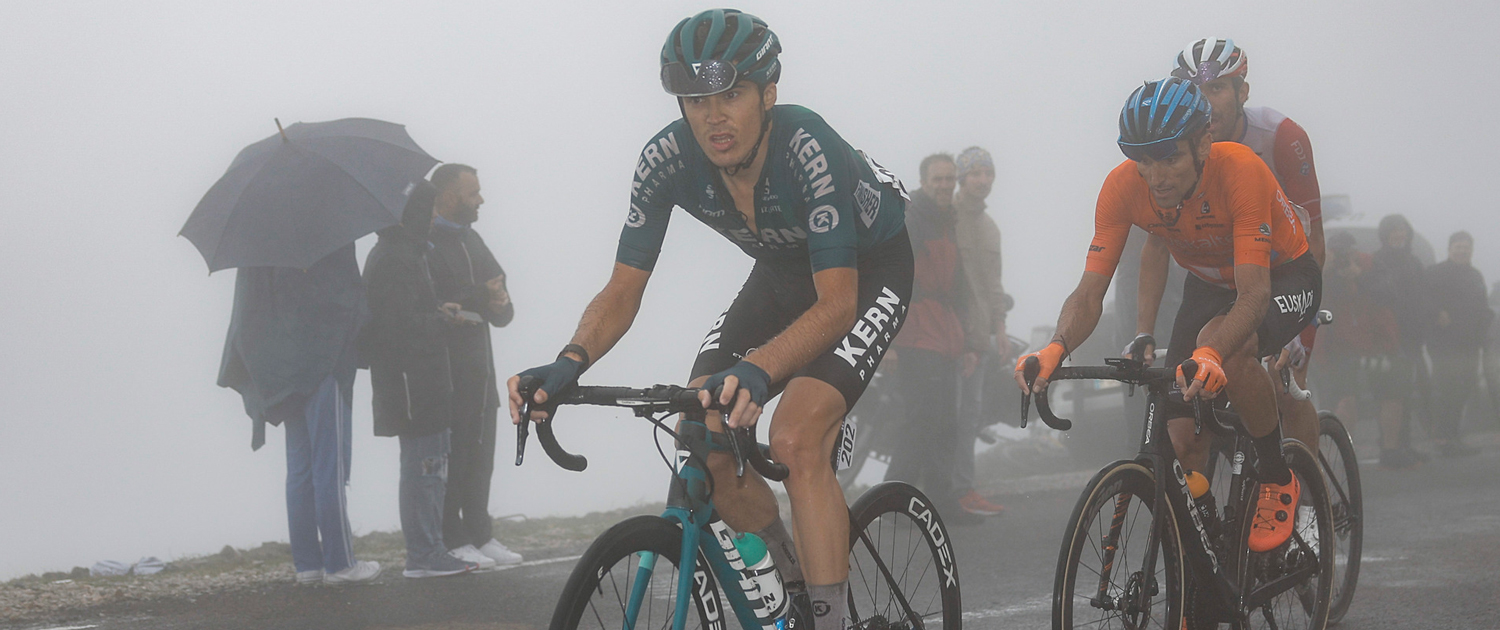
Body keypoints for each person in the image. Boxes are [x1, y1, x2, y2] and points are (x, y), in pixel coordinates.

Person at [507, 10, 913, 630]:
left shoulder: (808, 148)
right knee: (700, 430)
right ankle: (795, 582)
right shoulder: (666, 160)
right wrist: (570, 361)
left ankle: (832, 620)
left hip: (865, 272)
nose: (713, 117)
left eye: (731, 94)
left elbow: (836, 305)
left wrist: (760, 369)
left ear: (768, 94)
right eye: (695, 100)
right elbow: (623, 288)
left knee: (795, 438)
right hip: (779, 274)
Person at [1015, 78, 1319, 557]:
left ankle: (1277, 477)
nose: (1155, 176)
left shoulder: (1241, 169)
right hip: (1209, 284)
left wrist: (1213, 352)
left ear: (1203, 144)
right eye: (1143, 160)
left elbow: (1254, 294)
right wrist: (1056, 347)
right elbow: (1090, 293)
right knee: (1181, 440)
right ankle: (1207, 562)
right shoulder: (1122, 187)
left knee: (1227, 349)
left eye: (1169, 158)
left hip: (1282, 275)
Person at [1172, 37, 1324, 455]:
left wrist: (1300, 331)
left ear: (1243, 92)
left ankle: (1307, 489)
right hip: (1227, 277)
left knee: (1286, 386)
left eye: (1216, 88)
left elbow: (1314, 237)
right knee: (1195, 392)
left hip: (1285, 272)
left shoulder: (1281, 136)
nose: (1204, 102)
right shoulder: (1183, 145)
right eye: (1194, 90)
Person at [218, 243, 381, 585]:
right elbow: (347, 301)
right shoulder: (328, 236)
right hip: (323, 363)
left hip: (284, 371)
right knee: (329, 467)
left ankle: (307, 564)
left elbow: (249, 313)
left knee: (301, 469)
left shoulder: (260, 245)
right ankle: (340, 563)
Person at [360, 181, 479, 578]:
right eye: (428, 210)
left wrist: (436, 311)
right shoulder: (395, 257)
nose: (432, 218)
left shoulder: (405, 252)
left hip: (422, 379)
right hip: (413, 384)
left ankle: (429, 551)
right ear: (411, 212)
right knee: (423, 469)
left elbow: (406, 313)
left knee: (429, 467)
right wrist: (442, 321)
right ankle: (424, 554)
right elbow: (395, 327)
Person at [426, 163, 521, 569]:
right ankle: (453, 537)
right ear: (448, 196)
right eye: (472, 193)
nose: (480, 200)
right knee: (454, 458)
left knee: (481, 457)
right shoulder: (426, 242)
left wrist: (499, 301)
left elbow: (498, 294)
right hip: (446, 372)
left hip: (481, 373)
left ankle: (481, 535)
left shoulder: (472, 238)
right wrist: (479, 297)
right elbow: (434, 299)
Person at [884, 153, 981, 522]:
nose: (944, 185)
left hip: (942, 334)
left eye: (949, 179)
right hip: (915, 334)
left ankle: (941, 504)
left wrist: (967, 343)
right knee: (920, 422)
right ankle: (892, 506)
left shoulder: (945, 220)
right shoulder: (912, 220)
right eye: (937, 179)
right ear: (924, 182)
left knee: (944, 423)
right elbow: (893, 277)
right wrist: (889, 342)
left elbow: (957, 286)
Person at [950, 147, 1008, 517]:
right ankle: (948, 490)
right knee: (952, 415)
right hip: (953, 334)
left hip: (981, 335)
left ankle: (963, 489)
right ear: (962, 177)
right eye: (975, 173)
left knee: (970, 416)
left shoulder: (989, 227)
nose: (983, 180)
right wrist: (966, 340)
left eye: (988, 173)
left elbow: (993, 284)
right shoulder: (948, 217)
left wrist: (999, 329)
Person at [1365, 214, 1428, 469]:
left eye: (1402, 230)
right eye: (1393, 230)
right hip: (1388, 337)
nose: (1398, 235)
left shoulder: (1414, 261)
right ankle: (1390, 447)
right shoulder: (1377, 261)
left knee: (1407, 394)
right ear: (1385, 235)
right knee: (1390, 395)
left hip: (1412, 338)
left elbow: (1422, 297)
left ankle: (1404, 444)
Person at [1423, 231, 1492, 456]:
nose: (1462, 251)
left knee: (1463, 390)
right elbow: (1423, 299)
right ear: (1450, 249)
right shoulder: (1436, 272)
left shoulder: (1475, 275)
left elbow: (1483, 308)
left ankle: (1454, 436)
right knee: (1446, 391)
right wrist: (1437, 313)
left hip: (1470, 344)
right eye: (1458, 247)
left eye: (1466, 248)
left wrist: (1484, 333)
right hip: (1445, 344)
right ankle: (1442, 438)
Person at [1312, 231, 1376, 432]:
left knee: (1347, 395)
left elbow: (1376, 295)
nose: (1342, 257)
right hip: (1322, 342)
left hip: (1348, 343)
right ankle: (1325, 437)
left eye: (1346, 251)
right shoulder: (1320, 266)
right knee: (1323, 396)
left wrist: (1358, 275)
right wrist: (1323, 269)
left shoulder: (1363, 266)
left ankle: (1343, 438)